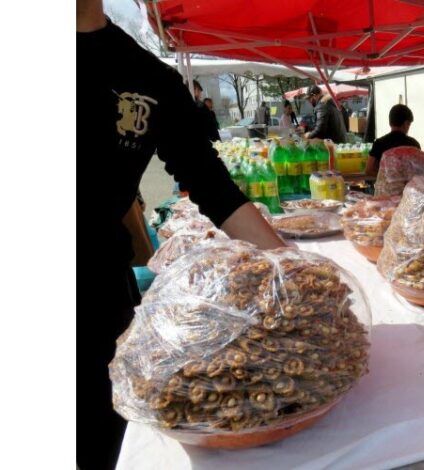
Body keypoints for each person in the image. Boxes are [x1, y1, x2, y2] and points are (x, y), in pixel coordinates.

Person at [77, 1, 287, 469]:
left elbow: (214, 188)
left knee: (102, 443)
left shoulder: (146, 74)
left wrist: (294, 269)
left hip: (97, 296)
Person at [366, 104, 421, 176]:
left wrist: (387, 177)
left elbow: (368, 170)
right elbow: (420, 171)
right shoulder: (414, 144)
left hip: (385, 186)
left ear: (390, 122)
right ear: (405, 123)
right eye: (409, 124)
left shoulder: (379, 143)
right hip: (408, 187)